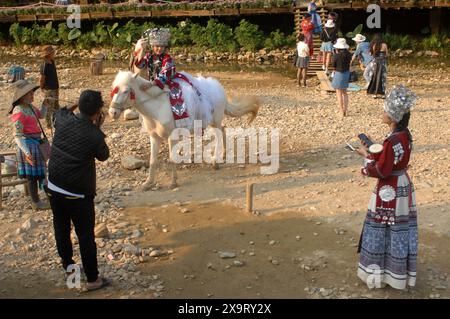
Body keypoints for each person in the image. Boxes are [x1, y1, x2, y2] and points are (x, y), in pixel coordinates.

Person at [355, 84, 418, 290]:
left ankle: (379, 274)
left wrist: (366, 162)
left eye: (385, 111)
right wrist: (373, 153)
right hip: (403, 185)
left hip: (389, 189)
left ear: (392, 118)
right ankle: (399, 274)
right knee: (399, 227)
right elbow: (393, 161)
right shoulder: (405, 135)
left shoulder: (391, 141)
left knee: (382, 226)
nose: (382, 113)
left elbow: (382, 170)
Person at [46, 90, 110, 291]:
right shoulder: (95, 135)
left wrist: (78, 105)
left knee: (61, 229)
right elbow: (104, 155)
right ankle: (93, 279)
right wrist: (96, 125)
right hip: (78, 194)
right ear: (97, 111)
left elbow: (62, 111)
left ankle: (69, 268)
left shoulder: (62, 119)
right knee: (85, 235)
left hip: (54, 186)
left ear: (80, 106)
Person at [134, 28, 194, 127]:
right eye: (157, 46)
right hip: (153, 82)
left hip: (167, 82)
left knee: (175, 97)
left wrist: (150, 84)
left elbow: (165, 75)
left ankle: (177, 122)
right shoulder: (148, 56)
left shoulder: (167, 58)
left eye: (162, 46)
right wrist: (141, 50)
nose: (159, 48)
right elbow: (140, 65)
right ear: (152, 46)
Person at [9, 79, 49, 210]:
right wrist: (26, 152)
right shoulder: (19, 110)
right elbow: (17, 135)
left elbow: (41, 115)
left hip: (36, 143)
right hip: (27, 145)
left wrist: (45, 105)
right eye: (30, 93)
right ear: (23, 96)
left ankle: (45, 199)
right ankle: (36, 202)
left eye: (32, 93)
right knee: (32, 176)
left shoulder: (30, 107)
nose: (33, 95)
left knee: (41, 173)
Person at [39, 45, 60, 129]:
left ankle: (56, 122)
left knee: (56, 106)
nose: (54, 53)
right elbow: (41, 78)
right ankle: (48, 126)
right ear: (49, 54)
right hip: (49, 89)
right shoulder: (44, 65)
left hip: (55, 88)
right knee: (49, 108)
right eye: (53, 52)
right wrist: (42, 89)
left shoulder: (52, 61)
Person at [331, 38, 352, 117]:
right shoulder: (349, 54)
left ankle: (341, 110)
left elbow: (334, 65)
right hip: (346, 73)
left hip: (338, 73)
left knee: (339, 93)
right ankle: (346, 110)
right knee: (345, 93)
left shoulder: (336, 55)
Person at [367, 34, 388, 98]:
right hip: (383, 63)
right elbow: (387, 54)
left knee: (374, 76)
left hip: (375, 63)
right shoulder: (384, 45)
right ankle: (383, 93)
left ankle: (374, 93)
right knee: (383, 78)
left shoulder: (374, 45)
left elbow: (372, 54)